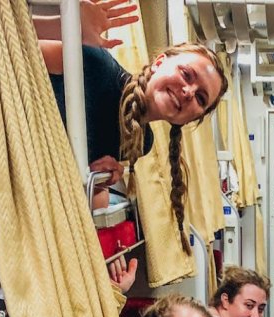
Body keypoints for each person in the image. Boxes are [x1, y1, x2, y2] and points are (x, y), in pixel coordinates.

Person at [39, 28, 228, 247]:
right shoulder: (96, 65)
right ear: (159, 63)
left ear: (192, 119)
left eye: (201, 98)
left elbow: (78, 189)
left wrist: (95, 180)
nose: (188, 92)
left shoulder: (141, 141)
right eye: (186, 74)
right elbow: (13, 56)